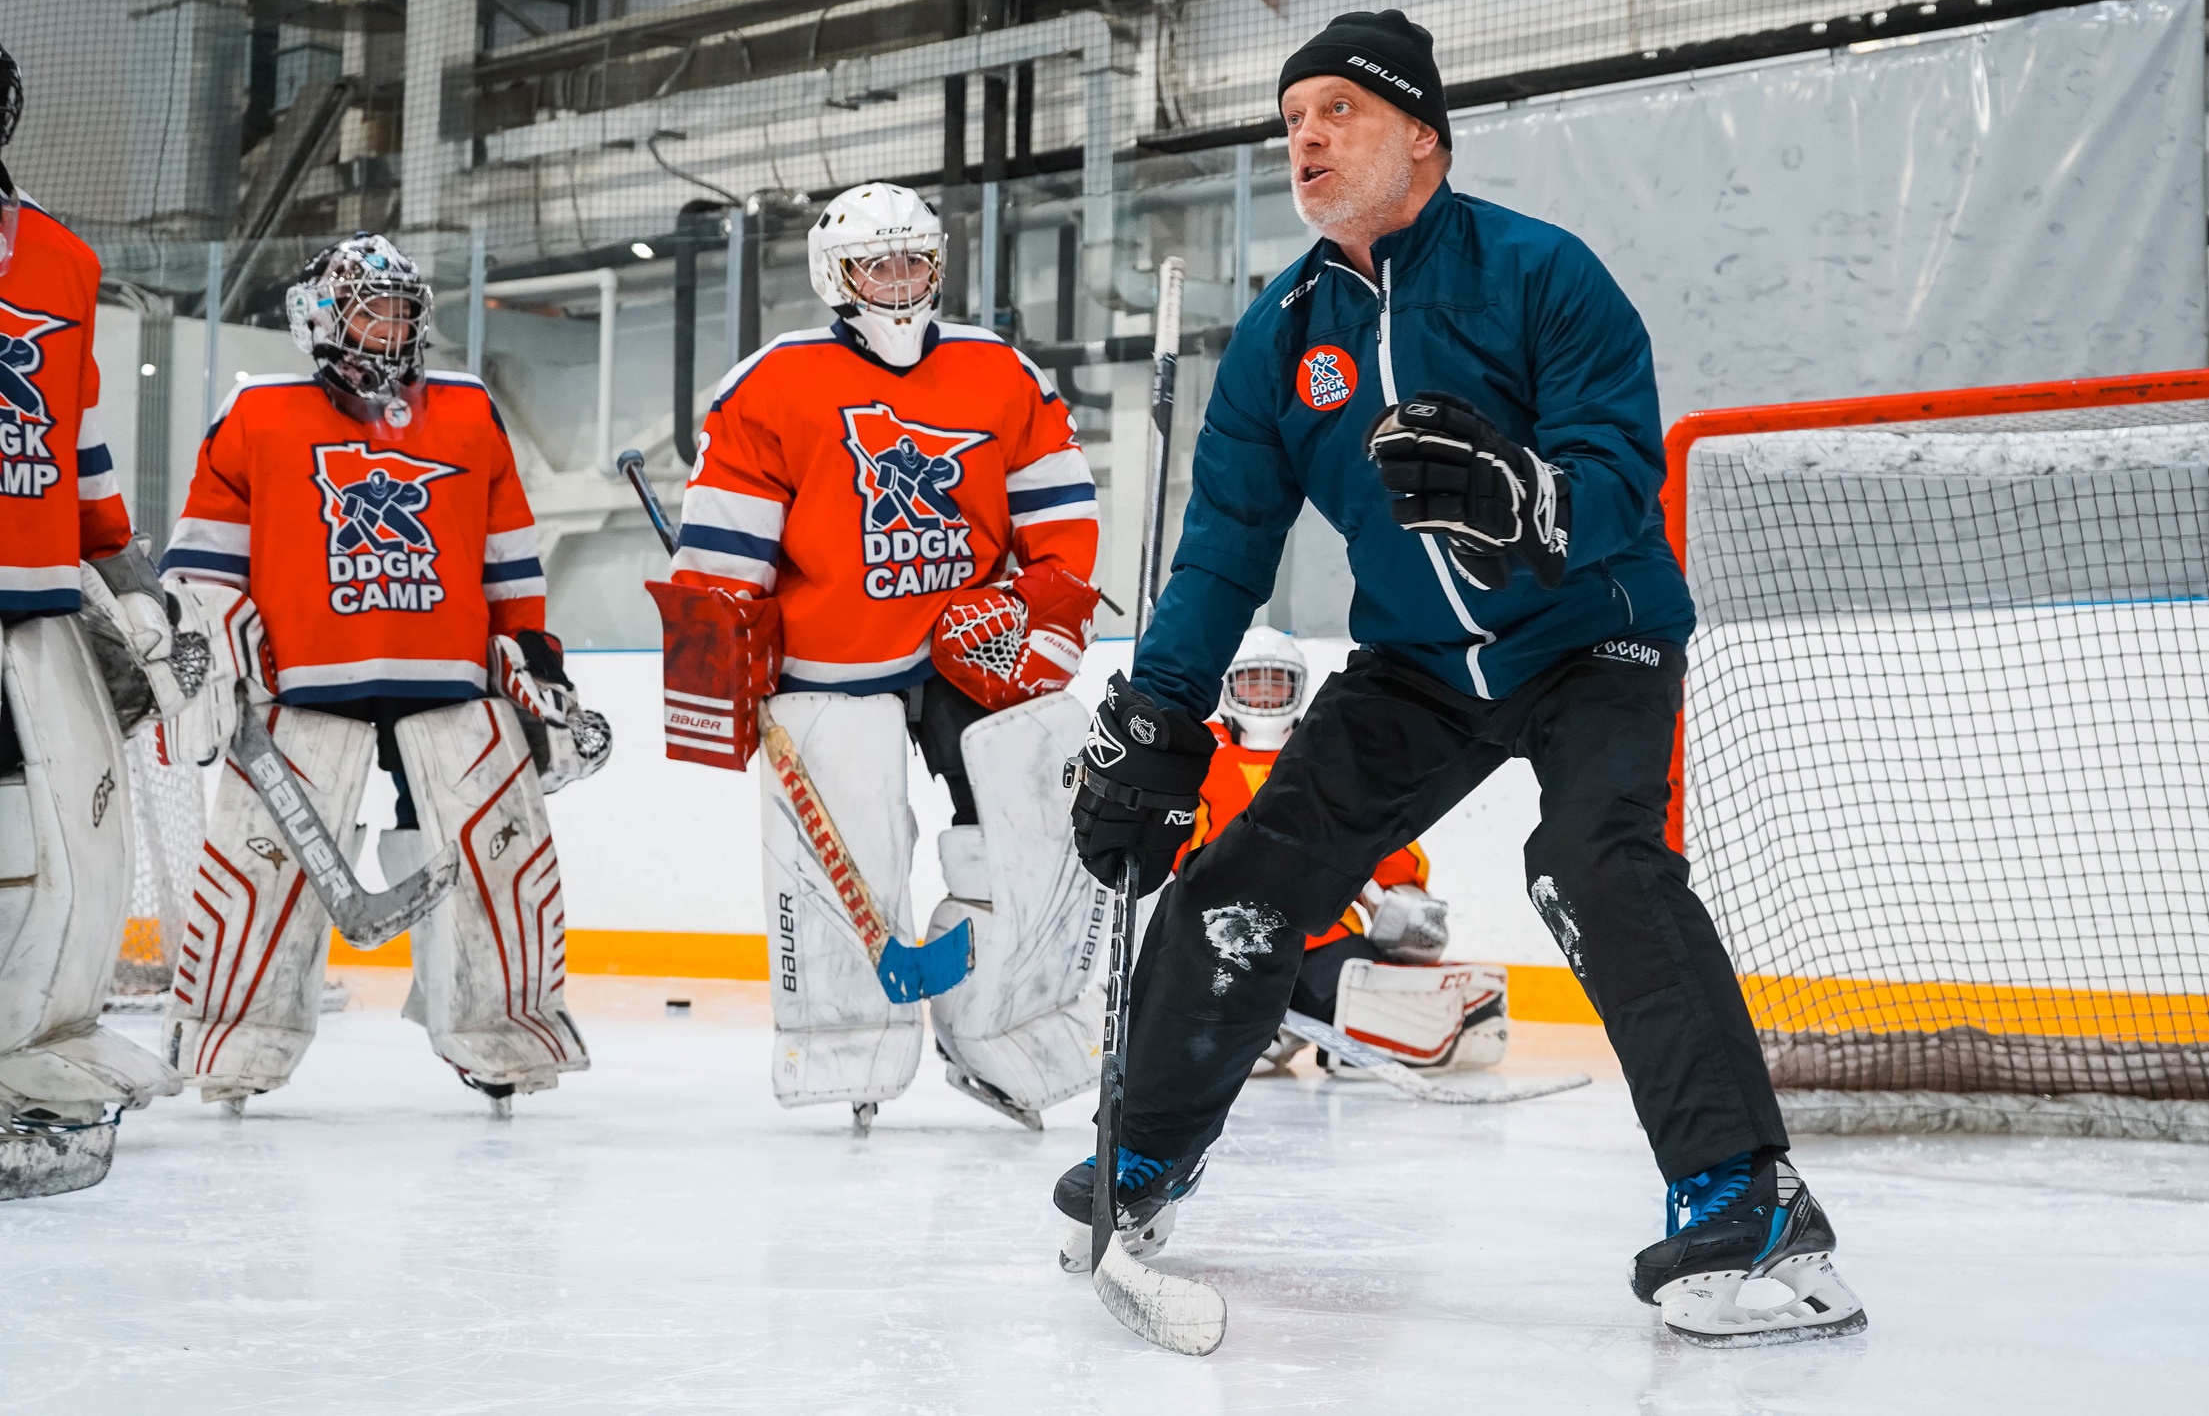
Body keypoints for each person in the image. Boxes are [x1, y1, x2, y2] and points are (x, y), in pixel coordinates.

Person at [1055, 11, 1865, 1345]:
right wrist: (1159, 714)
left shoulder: (1541, 274)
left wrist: (1527, 496)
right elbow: (1222, 546)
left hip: (1592, 632)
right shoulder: (1282, 337)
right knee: (1244, 879)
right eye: (1293, 116)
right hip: (1421, 665)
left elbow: (1621, 470)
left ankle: (1746, 1189)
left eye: (1339, 111)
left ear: (1422, 135)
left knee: (1599, 860)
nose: (1305, 137)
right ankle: (1144, 1155)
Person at [661, 182, 1108, 1131]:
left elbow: (1062, 516)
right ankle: (846, 1046)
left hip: (970, 656)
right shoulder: (774, 382)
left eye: (915, 259)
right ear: (838, 275)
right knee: (843, 872)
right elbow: (723, 551)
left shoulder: (999, 372)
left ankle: (996, 1028)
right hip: (830, 666)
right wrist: (723, 653)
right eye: (879, 263)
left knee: (1026, 838)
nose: (900, 280)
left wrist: (1043, 611)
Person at [159, 234, 609, 1112]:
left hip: (447, 679)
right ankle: (234, 1038)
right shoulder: (257, 413)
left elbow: (509, 556)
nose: (390, 327)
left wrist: (532, 653)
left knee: (495, 856)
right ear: (320, 320)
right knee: (263, 865)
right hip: (304, 687)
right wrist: (218, 642)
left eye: (402, 309)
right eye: (369, 308)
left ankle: (500, 1034)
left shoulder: (469, 410)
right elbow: (204, 561)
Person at [0, 41, 204, 1196]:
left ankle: (20, 1062)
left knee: (58, 861)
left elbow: (73, 439)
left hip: (30, 620)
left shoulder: (64, 260)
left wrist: (131, 578)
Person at [1186, 626, 1506, 1075]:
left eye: (1277, 681)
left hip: (1323, 931)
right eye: (1252, 680)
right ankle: (1262, 1026)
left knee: (1366, 1005)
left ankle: (1456, 1010)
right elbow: (1182, 850)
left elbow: (1376, 827)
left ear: (1297, 688)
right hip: (1230, 932)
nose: (1263, 692)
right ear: (1230, 687)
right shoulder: (1202, 753)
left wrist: (1401, 897)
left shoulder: (1323, 749)